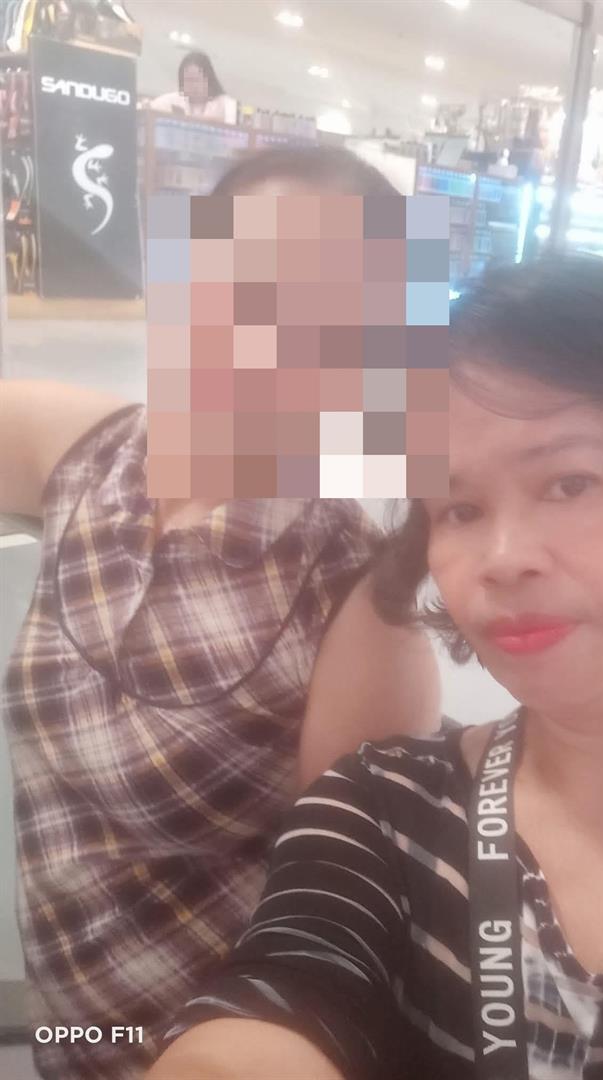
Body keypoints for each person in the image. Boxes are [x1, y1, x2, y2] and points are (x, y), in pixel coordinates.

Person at [148, 254, 603, 1080]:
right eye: (458, 509)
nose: (500, 559)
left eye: (568, 483)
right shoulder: (384, 812)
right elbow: (278, 1002)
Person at [0, 146, 441, 1080]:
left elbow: (341, 915)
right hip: (68, 1027)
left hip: (218, 1046)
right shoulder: (87, 456)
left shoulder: (356, 593)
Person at [149, 51, 238, 125]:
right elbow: (150, 110)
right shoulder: (171, 100)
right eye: (188, 80)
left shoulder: (225, 103)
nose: (192, 85)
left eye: (196, 80)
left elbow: (234, 123)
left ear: (208, 79)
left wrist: (194, 119)